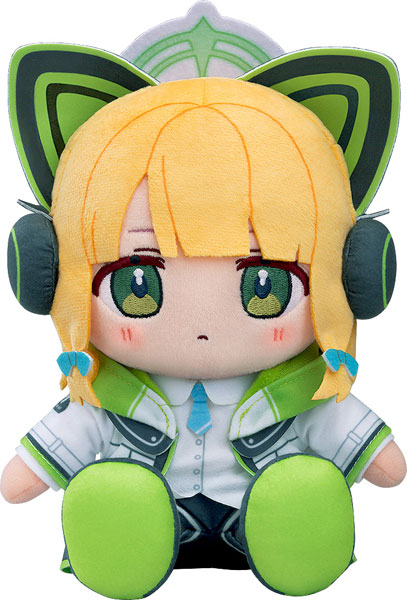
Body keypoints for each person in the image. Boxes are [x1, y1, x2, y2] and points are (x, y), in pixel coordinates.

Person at [2, 49, 405, 599]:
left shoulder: (305, 388)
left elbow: (381, 462)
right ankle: (122, 528)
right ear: (49, 273)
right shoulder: (102, 390)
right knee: (121, 493)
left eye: (266, 286)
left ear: (354, 275)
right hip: (154, 519)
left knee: (294, 490)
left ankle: (294, 521)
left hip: (256, 522)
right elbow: (28, 474)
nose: (202, 327)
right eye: (136, 286)